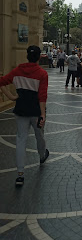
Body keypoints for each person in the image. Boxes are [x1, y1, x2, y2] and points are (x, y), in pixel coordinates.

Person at [0, 45, 49, 186]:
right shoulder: (42, 74)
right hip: (35, 111)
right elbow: (42, 96)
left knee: (21, 140)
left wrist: (11, 96)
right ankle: (42, 155)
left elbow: (2, 82)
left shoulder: (17, 71)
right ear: (39, 57)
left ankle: (20, 174)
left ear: (27, 56)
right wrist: (43, 114)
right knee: (40, 136)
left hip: (20, 110)